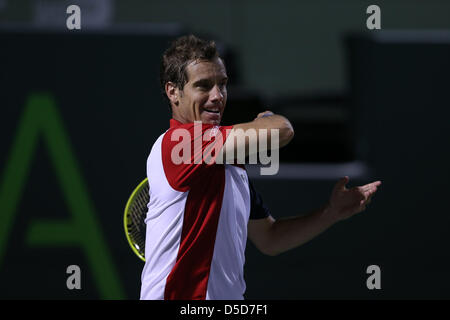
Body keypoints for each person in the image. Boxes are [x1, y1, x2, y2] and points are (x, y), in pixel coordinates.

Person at [140, 34, 381, 300]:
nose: (217, 96)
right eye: (204, 86)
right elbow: (283, 131)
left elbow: (270, 238)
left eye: (222, 84)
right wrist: (268, 118)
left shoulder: (232, 167)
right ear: (173, 91)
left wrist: (331, 213)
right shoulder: (178, 143)